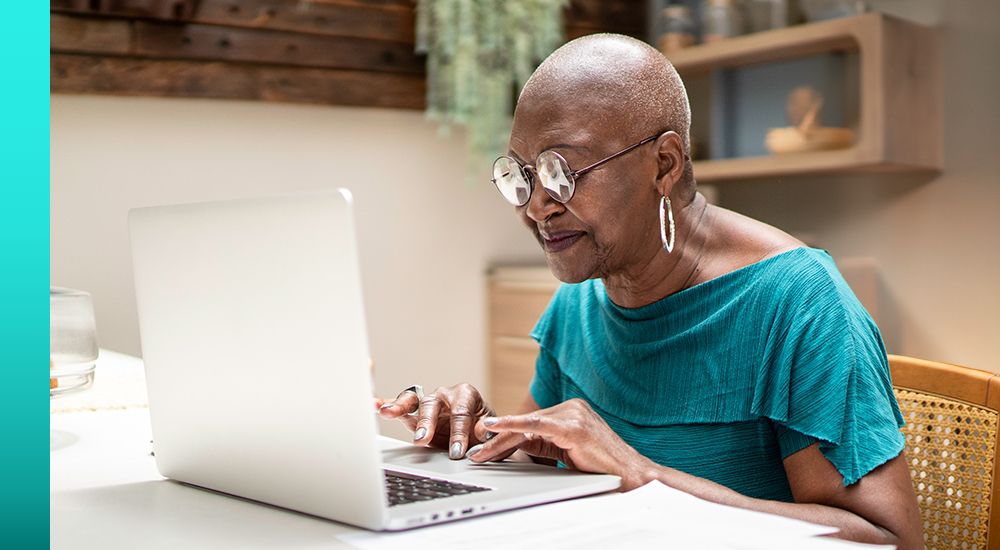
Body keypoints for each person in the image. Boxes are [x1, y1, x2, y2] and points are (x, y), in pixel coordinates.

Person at [376, 34, 921, 548]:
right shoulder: (581, 301)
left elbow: (887, 540)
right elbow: (552, 466)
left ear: (664, 164)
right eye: (523, 175)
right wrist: (479, 440)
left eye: (562, 171)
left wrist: (643, 476)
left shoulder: (797, 303)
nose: (536, 205)